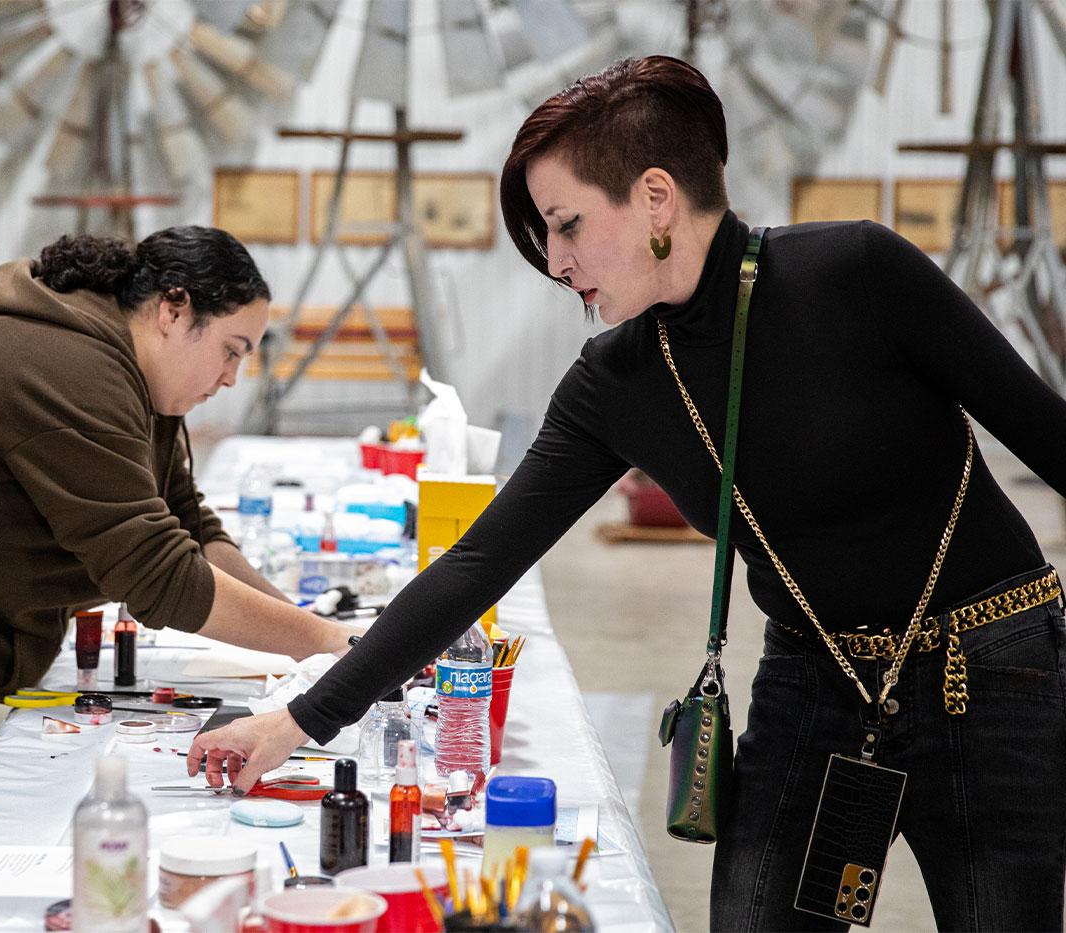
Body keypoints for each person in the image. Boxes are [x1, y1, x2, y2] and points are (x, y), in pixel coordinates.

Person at [189, 55, 1066, 931]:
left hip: (987, 666)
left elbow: (1051, 439)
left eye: (566, 225)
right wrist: (300, 720)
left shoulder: (858, 274)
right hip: (817, 675)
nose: (556, 262)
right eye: (545, 235)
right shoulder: (616, 383)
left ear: (655, 197)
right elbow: (477, 565)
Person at [0, 227, 363, 929]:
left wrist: (313, 630)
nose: (232, 377)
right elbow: (158, 572)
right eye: (232, 350)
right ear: (173, 309)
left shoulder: (137, 375)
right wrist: (327, 642)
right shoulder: (67, 364)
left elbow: (190, 528)